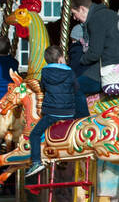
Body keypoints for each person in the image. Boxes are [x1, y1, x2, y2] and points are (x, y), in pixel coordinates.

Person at [24, 45, 79, 180]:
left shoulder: (45, 72)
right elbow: (76, 88)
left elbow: (42, 88)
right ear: (61, 58)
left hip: (52, 112)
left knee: (35, 134)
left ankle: (37, 162)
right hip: (69, 113)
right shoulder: (70, 72)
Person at [71, 0, 119, 98]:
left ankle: (82, 115)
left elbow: (94, 53)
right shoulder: (114, 15)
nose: (74, 18)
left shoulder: (96, 19)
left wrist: (81, 60)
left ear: (82, 9)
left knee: (73, 87)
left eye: (74, 13)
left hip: (110, 70)